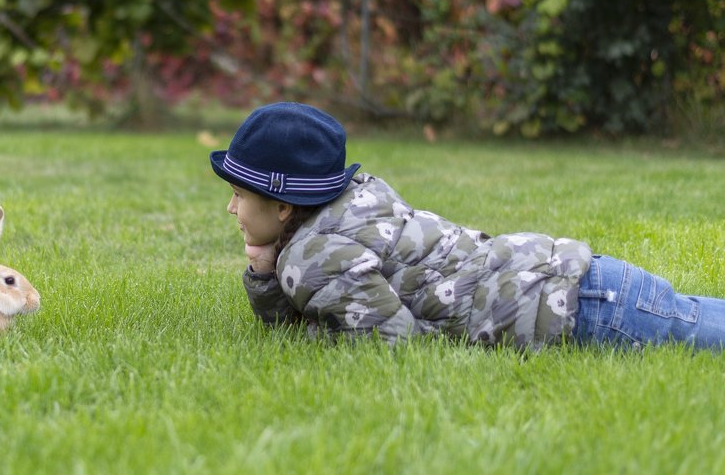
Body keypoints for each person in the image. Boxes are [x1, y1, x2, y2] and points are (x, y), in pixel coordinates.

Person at [210, 101, 725, 350]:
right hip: (579, 280)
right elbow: (313, 306)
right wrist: (264, 271)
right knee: (692, 316)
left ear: (284, 206)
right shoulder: (357, 201)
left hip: (569, 311)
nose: (231, 210)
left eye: (238, 195)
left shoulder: (314, 255)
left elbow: (395, 344)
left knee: (700, 333)